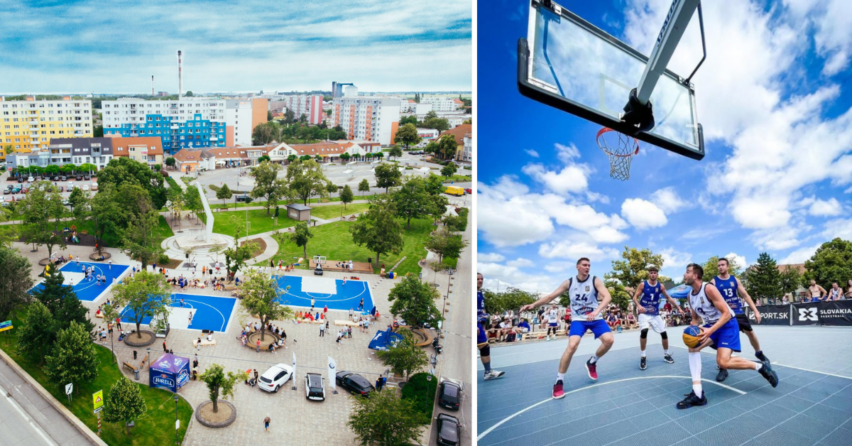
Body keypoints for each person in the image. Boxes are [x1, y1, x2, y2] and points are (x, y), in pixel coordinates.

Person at [677, 263, 778, 409]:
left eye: (687, 272)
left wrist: (710, 330)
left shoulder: (709, 289)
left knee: (723, 363)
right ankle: (698, 394)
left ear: (695, 275)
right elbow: (695, 319)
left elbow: (726, 314)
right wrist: (692, 330)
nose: (684, 275)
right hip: (711, 326)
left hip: (727, 325)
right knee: (693, 347)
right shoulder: (689, 296)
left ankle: (760, 366)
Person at [520, 258, 614, 398]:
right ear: (577, 267)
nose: (587, 267)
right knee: (572, 345)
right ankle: (559, 381)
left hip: (595, 317)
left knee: (609, 340)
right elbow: (551, 296)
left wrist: (596, 311)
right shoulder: (569, 282)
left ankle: (592, 361)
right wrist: (533, 305)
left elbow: (607, 297)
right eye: (584, 265)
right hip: (578, 320)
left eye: (589, 265)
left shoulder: (595, 280)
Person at [713, 257, 771, 382]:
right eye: (719, 265)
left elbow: (745, 295)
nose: (720, 267)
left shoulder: (734, 280)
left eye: (723, 265)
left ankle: (759, 353)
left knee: (750, 332)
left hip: (738, 312)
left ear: (728, 266)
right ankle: (723, 368)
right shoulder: (714, 282)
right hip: (725, 314)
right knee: (723, 340)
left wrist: (755, 310)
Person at [632, 265, 683, 370]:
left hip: (655, 314)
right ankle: (643, 356)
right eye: (651, 272)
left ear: (657, 274)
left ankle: (666, 354)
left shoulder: (660, 286)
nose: (653, 274)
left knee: (664, 333)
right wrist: (639, 306)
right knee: (644, 331)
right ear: (649, 274)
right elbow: (635, 297)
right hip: (644, 313)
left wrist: (679, 308)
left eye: (655, 272)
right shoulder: (643, 285)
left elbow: (668, 298)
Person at [477, 273, 505, 380]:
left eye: (481, 279)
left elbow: (480, 309)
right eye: (477, 279)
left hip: (479, 323)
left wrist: (484, 316)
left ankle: (488, 372)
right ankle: (487, 372)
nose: (480, 281)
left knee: (484, 347)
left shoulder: (479, 292)